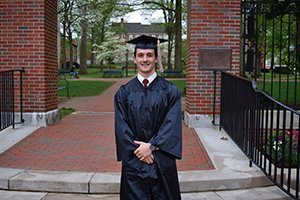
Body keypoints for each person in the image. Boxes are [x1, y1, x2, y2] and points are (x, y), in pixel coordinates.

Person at [114, 35, 182, 200]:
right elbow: (122, 128)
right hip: (135, 161)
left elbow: (171, 125)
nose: (145, 59)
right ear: (134, 59)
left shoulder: (170, 91)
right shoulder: (124, 93)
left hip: (161, 160)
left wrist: (151, 146)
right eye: (141, 55)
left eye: (149, 55)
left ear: (156, 58)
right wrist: (141, 151)